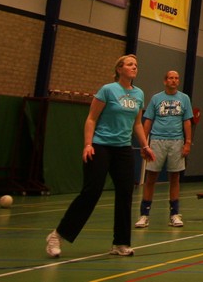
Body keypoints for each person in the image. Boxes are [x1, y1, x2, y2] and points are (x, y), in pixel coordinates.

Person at [45, 54, 154, 259]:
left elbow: (137, 123)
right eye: (130, 64)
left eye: (136, 65)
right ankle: (57, 235)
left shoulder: (139, 94)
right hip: (101, 146)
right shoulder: (107, 90)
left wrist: (145, 145)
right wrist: (88, 144)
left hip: (123, 148)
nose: (134, 67)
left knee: (125, 193)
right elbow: (91, 119)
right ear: (119, 69)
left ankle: (120, 243)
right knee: (91, 192)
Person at [136, 70, 193, 228]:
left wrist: (188, 143)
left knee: (174, 178)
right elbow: (148, 121)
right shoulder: (156, 98)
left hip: (176, 142)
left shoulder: (184, 99)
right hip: (157, 141)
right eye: (171, 78)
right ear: (165, 81)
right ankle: (144, 215)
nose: (174, 80)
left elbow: (187, 121)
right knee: (151, 178)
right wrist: (144, 144)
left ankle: (174, 214)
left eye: (176, 78)